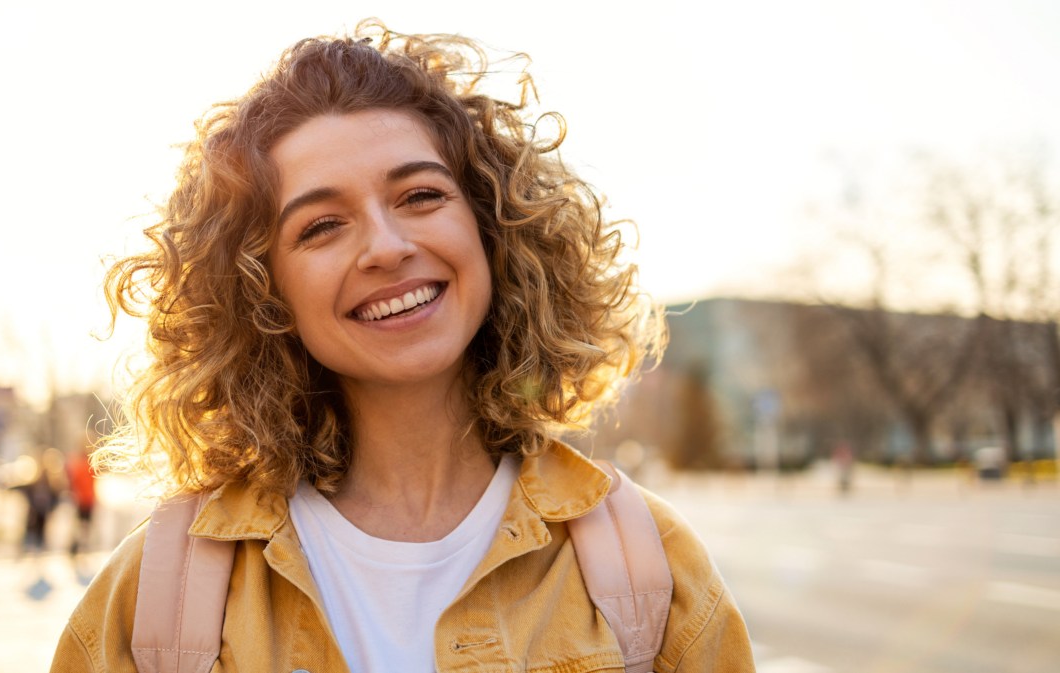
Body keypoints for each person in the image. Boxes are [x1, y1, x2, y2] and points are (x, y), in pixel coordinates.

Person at [51, 20, 754, 673]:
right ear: (263, 292)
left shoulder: (649, 565)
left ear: (490, 226)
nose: (387, 247)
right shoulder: (158, 592)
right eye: (323, 225)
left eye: (420, 195)